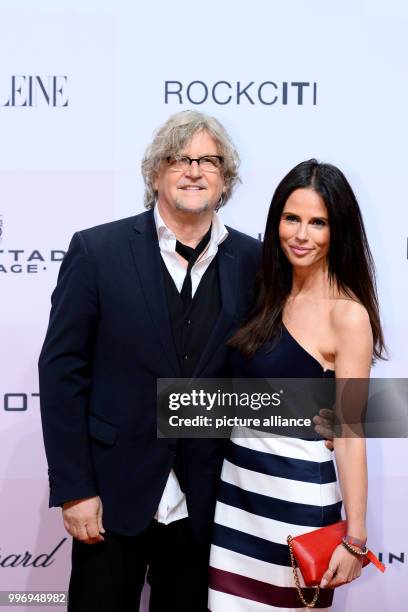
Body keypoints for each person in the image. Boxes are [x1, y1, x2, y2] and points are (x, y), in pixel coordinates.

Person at [38, 110, 262, 612]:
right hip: (111, 497)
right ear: (155, 173)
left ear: (225, 179)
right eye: (179, 159)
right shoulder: (98, 251)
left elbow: (267, 367)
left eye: (209, 160)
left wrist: (334, 409)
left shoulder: (254, 261)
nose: (194, 170)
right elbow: (61, 373)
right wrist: (75, 490)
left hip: (210, 501)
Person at [208, 159, 385, 611]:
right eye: (291, 219)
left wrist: (356, 538)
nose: (301, 235)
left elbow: (349, 433)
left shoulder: (347, 316)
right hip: (236, 502)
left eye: (318, 223)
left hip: (297, 506)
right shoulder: (264, 292)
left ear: (338, 231)